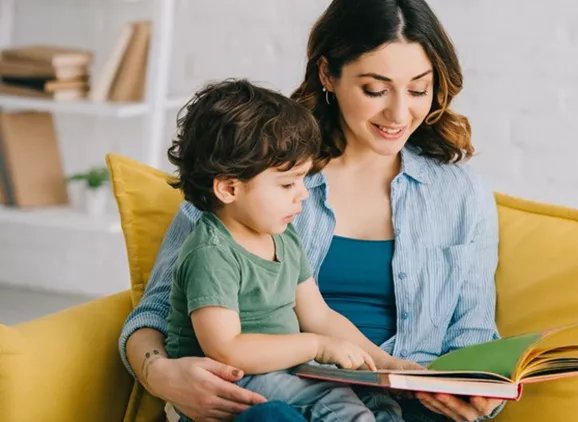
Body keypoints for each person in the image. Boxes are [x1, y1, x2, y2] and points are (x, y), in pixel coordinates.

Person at [119, 0, 504, 421]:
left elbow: (473, 332)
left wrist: (481, 390)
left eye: (418, 90)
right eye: (375, 90)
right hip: (275, 392)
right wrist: (162, 375)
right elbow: (154, 313)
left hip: (406, 401)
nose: (399, 113)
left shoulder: (460, 195)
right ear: (328, 74)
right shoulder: (252, 169)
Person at [163, 78, 421, 422]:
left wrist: (379, 363)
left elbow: (319, 315)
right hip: (233, 383)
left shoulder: (284, 238)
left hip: (283, 375)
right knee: (319, 411)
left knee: (376, 404)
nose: (302, 194)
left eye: (302, 179)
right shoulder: (211, 253)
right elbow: (228, 349)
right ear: (228, 188)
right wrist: (317, 346)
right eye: (287, 184)